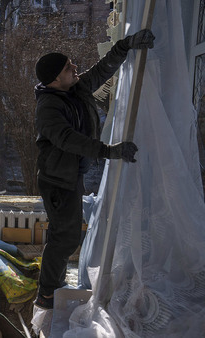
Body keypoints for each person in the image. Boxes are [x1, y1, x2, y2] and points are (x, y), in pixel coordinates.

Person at [33, 29, 155, 310]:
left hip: (69, 175)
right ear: (54, 79)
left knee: (64, 235)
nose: (74, 67)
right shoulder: (48, 107)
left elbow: (101, 71)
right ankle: (48, 294)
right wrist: (109, 151)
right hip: (57, 181)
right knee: (65, 237)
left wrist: (124, 46)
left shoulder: (73, 88)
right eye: (67, 67)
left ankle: (52, 288)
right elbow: (67, 139)